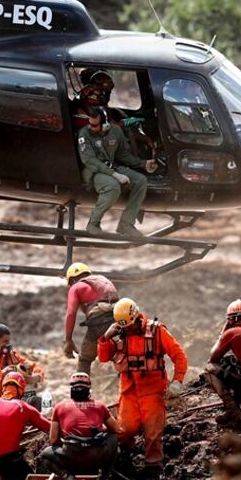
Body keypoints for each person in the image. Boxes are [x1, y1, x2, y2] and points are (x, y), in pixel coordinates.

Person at [97, 298, 188, 473]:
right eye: (123, 326)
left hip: (153, 390)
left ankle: (153, 466)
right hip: (128, 391)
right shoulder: (118, 333)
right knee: (125, 430)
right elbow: (102, 357)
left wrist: (177, 381)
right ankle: (124, 459)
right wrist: (105, 337)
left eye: (129, 325)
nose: (127, 329)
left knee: (153, 433)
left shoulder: (157, 331)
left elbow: (179, 356)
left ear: (136, 317)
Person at [76, 101, 157, 237]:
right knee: (112, 186)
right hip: (94, 171)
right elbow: (89, 160)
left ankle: (126, 224)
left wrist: (142, 164)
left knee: (140, 180)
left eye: (94, 125)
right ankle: (93, 223)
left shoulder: (115, 131)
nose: (90, 127)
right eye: (90, 123)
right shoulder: (85, 133)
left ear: (105, 125)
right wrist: (115, 174)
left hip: (112, 166)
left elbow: (122, 155)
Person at [38, 372, 120, 480]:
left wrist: (69, 445)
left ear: (71, 388)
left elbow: (53, 440)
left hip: (70, 455)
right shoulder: (100, 405)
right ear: (89, 388)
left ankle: (69, 478)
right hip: (96, 455)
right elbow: (116, 429)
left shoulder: (59, 407)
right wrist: (102, 430)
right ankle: (103, 479)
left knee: (45, 455)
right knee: (113, 438)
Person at [0, 372, 51, 480]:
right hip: (10, 462)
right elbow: (48, 427)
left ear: (3, 387)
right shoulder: (23, 406)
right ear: (21, 390)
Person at [63, 262, 120, 373]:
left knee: (85, 359)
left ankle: (81, 389)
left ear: (71, 280)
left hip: (100, 321)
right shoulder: (101, 280)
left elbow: (70, 313)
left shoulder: (76, 287)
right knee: (122, 351)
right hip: (118, 316)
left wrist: (68, 340)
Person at [0, 323, 46, 407]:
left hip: (10, 397)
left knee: (37, 401)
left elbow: (33, 366)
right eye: (5, 341)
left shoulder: (11, 355)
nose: (8, 345)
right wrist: (3, 373)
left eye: (9, 341)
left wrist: (36, 377)